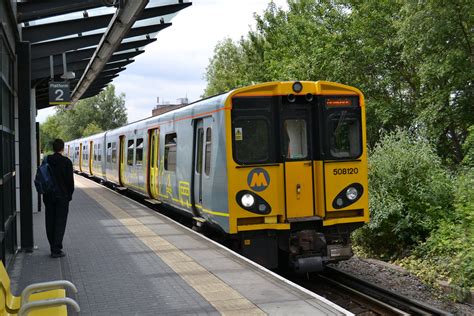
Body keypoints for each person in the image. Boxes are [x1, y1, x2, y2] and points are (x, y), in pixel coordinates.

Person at [43, 138, 74, 258]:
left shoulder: (46, 160)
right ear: (62, 148)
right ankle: (56, 249)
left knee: (50, 221)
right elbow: (70, 182)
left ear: (53, 148)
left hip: (49, 196)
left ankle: (52, 246)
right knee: (60, 223)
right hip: (62, 197)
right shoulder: (66, 162)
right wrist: (69, 195)